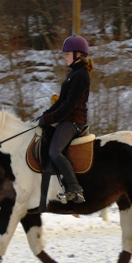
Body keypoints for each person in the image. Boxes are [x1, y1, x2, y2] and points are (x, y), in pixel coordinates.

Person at [36, 34, 93, 203]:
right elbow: (61, 102)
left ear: (78, 54)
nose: (65, 57)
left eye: (67, 54)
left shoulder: (81, 75)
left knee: (55, 151)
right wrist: (44, 116)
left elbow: (69, 106)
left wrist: (49, 118)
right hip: (67, 119)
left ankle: (75, 188)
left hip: (74, 121)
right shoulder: (73, 74)